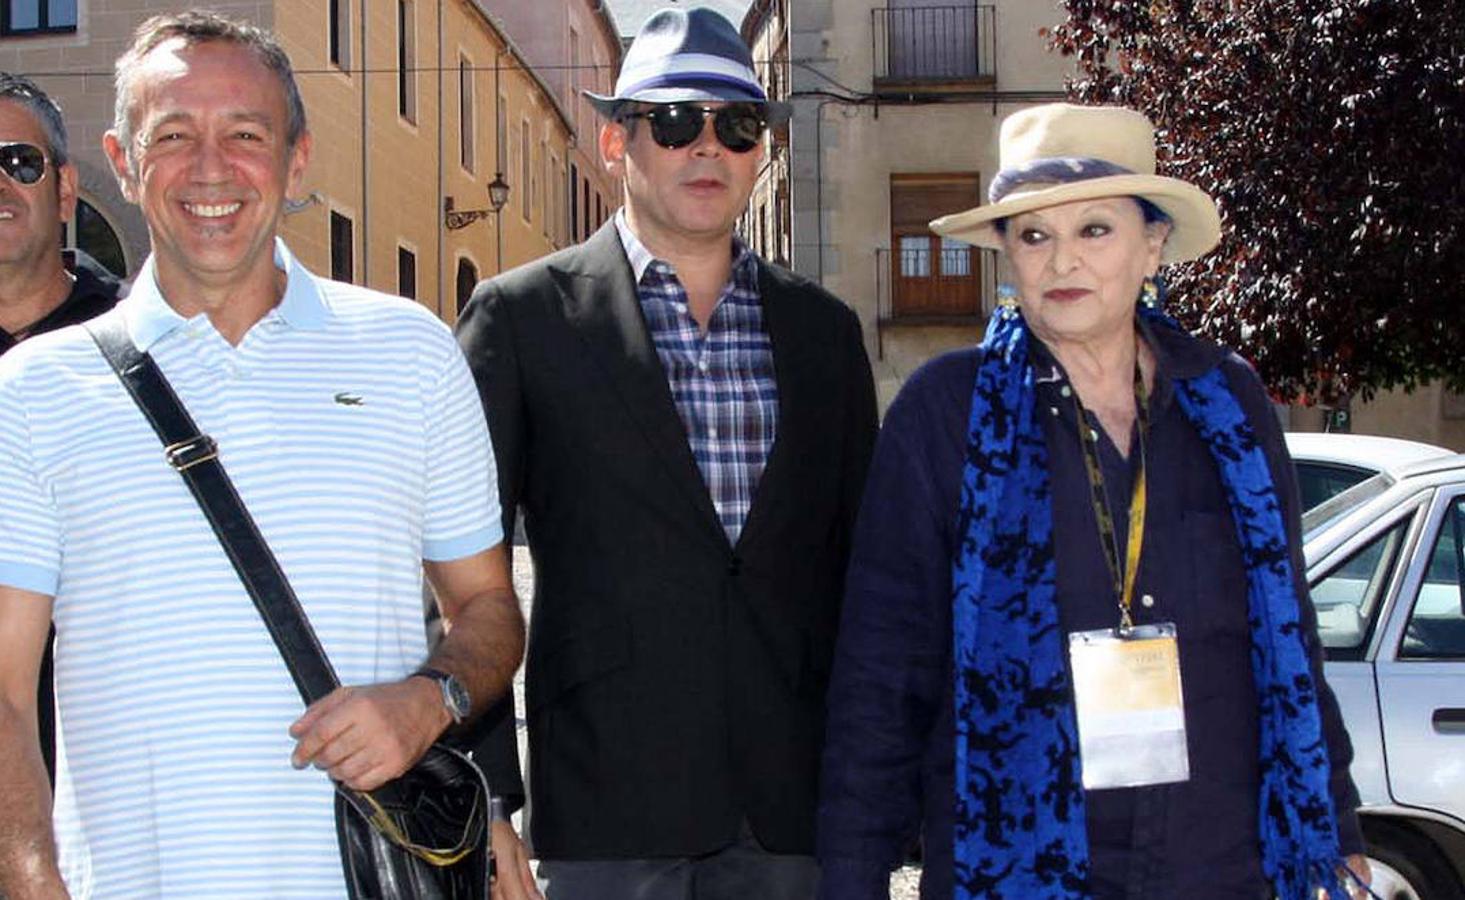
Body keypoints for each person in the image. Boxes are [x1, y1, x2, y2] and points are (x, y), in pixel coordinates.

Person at [0, 12, 524, 897]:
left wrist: (427, 701)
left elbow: (488, 610)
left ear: (297, 159)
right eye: (173, 136)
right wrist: (30, 877)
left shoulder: (411, 352)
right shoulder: (34, 389)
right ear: (121, 163)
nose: (211, 170)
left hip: (365, 878)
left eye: (245, 134)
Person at [816, 103, 1370, 900]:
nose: (1060, 261)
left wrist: (1336, 823)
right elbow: (881, 671)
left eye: (1095, 231)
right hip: (1014, 867)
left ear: (1152, 245)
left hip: (1219, 865)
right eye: (1034, 236)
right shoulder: (945, 414)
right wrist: (851, 876)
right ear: (1006, 255)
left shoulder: (1229, 403)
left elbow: (1289, 634)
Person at [455, 8, 878, 900]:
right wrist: (488, 794)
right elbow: (465, 571)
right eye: (677, 121)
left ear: (759, 149)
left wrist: (876, 787)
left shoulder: (824, 335)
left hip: (790, 810)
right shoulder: (521, 319)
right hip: (608, 807)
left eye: (737, 125)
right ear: (617, 141)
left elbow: (863, 578)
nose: (708, 148)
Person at [1, 72, 126, 789]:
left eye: (19, 162)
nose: (0, 183)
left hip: (110, 773)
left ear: (65, 187)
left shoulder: (146, 347)